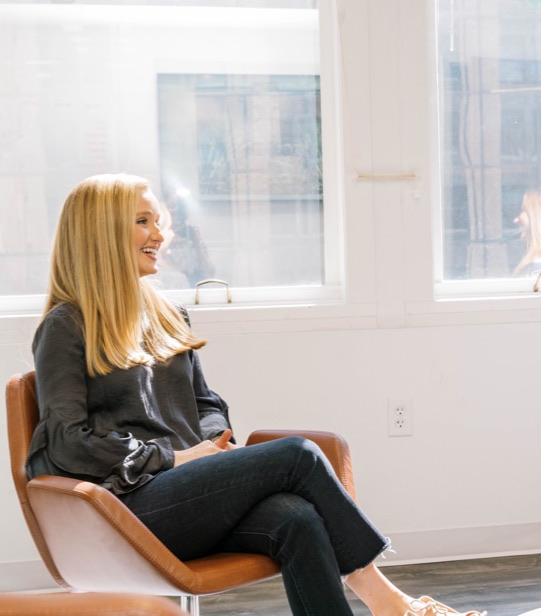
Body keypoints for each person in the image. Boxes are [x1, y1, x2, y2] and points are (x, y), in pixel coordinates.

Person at [26, 173, 485, 616]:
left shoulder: (168, 314)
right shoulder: (65, 326)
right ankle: (389, 603)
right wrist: (174, 458)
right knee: (296, 455)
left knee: (295, 518)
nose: (160, 234)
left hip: (188, 490)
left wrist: (210, 447)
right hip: (126, 510)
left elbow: (206, 404)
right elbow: (67, 440)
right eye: (143, 221)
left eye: (158, 221)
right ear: (100, 233)